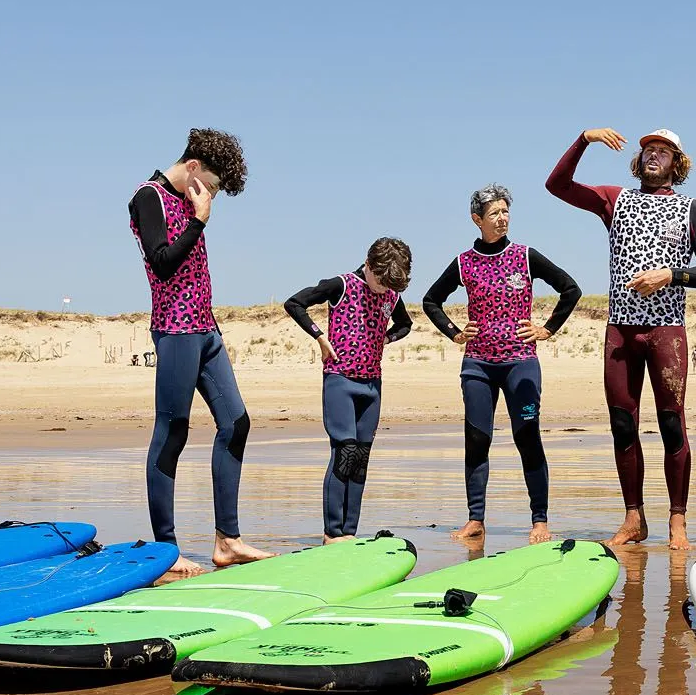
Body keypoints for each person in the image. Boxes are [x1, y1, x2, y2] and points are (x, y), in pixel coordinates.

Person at [546, 127, 696, 548]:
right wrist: (583, 140)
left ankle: (677, 519)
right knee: (622, 425)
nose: (653, 156)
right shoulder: (616, 200)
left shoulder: (691, 208)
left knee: (671, 423)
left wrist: (670, 275)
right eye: (648, 150)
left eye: (663, 151)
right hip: (621, 329)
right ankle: (633, 518)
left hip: (666, 331)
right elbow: (557, 185)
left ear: (677, 163)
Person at [129, 128, 274, 574]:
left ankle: (227, 540)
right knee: (172, 432)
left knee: (236, 423)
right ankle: (165, 551)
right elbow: (162, 263)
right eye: (211, 184)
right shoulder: (148, 197)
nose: (211, 195)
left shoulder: (188, 201)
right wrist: (199, 220)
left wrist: (198, 215)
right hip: (175, 331)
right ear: (193, 167)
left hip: (206, 329)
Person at [422, 184, 582, 545]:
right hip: (477, 364)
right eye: (494, 213)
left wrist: (547, 329)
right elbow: (431, 300)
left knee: (527, 436)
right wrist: (454, 332)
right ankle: (475, 519)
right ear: (477, 219)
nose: (502, 218)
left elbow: (570, 289)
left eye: (505, 211)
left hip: (520, 363)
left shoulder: (525, 256)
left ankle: (540, 520)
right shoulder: (464, 262)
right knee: (477, 439)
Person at [285, 238, 413, 542]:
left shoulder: (391, 293)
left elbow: (405, 324)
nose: (383, 289)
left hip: (372, 384)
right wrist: (320, 337)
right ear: (368, 264)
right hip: (340, 380)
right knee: (345, 451)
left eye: (389, 285)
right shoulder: (341, 285)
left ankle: (349, 532)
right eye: (380, 281)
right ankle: (332, 532)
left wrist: (387, 338)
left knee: (361, 457)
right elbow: (294, 303)